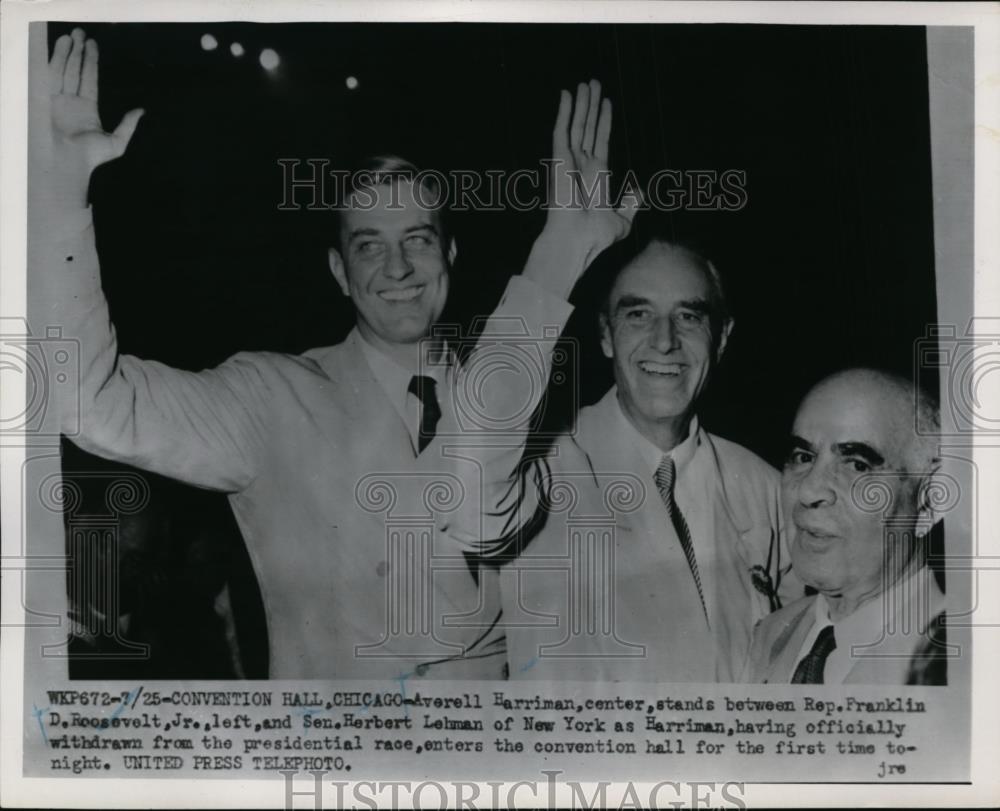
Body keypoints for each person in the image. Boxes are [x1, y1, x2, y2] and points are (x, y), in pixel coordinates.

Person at [39, 27, 639, 678]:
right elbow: (88, 402)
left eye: (418, 238)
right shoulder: (270, 398)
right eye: (369, 246)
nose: (399, 268)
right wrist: (61, 203)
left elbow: (477, 504)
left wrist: (562, 249)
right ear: (337, 270)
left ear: (451, 254)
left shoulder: (523, 407)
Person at [497, 232, 800, 682]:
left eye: (689, 316)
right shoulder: (533, 470)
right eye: (638, 315)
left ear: (721, 339)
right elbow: (467, 471)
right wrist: (562, 242)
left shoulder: (766, 488)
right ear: (605, 334)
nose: (665, 341)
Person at [743, 368, 947, 685]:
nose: (809, 491)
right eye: (802, 456)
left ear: (930, 502)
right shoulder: (770, 635)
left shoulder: (959, 663)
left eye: (856, 465)